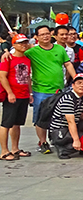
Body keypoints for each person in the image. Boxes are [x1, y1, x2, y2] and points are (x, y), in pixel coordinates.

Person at [19, 25, 76, 154]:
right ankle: (43, 142)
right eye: (42, 34)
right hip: (41, 90)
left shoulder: (59, 49)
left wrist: (76, 78)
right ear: (36, 37)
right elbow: (17, 53)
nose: (45, 36)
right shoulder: (32, 52)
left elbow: (67, 64)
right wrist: (6, 52)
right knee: (41, 117)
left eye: (47, 33)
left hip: (59, 90)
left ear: (51, 34)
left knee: (59, 117)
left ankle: (58, 140)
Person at [0, 34, 32, 161]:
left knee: (17, 123)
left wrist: (30, 93)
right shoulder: (7, 58)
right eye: (20, 43)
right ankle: (4, 151)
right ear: (14, 45)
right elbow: (2, 77)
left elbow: (27, 77)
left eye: (25, 42)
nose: (23, 45)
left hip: (23, 94)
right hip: (12, 95)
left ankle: (15, 148)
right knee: (6, 123)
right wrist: (9, 92)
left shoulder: (27, 59)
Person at [49, 73, 83, 159]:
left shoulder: (82, 98)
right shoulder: (68, 99)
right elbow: (70, 121)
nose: (82, 85)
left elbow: (82, 116)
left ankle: (81, 147)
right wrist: (76, 140)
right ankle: (64, 149)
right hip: (60, 130)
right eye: (79, 83)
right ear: (73, 85)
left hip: (70, 128)